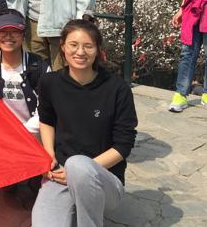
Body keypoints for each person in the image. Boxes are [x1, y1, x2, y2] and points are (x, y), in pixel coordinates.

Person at [32, 20, 137, 227]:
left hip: (105, 178)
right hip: (61, 173)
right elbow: (47, 120)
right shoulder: (50, 82)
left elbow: (123, 145)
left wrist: (79, 172)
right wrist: (49, 155)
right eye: (73, 45)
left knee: (78, 165)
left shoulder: (117, 88)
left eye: (88, 46)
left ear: (97, 50)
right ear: (63, 46)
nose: (80, 52)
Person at [0, 9, 50, 137]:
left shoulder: (40, 67)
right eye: (2, 31)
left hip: (33, 138)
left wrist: (21, 134)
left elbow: (45, 108)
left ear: (24, 34)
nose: (8, 36)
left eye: (15, 31)